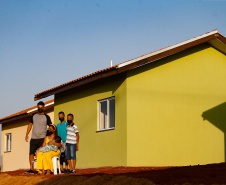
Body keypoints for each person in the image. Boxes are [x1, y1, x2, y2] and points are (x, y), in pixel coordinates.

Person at [25, 101, 52, 173]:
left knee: (41, 153)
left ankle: (42, 169)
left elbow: (50, 127)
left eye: (41, 107)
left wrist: (49, 137)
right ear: (37, 107)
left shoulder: (47, 117)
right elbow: (30, 125)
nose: (40, 108)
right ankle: (31, 168)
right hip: (33, 138)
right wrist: (27, 134)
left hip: (42, 138)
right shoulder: (33, 115)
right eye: (38, 107)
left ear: (44, 107)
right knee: (31, 153)